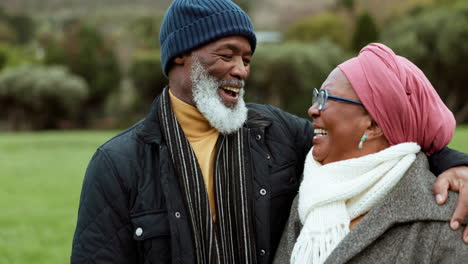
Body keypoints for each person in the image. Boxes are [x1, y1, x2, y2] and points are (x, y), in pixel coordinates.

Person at [71, 1, 468, 263]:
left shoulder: (276, 132)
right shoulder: (119, 164)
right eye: (226, 55)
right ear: (180, 56)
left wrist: (456, 164)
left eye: (246, 58)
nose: (241, 70)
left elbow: (380, 140)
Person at [273, 43, 468, 264]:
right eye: (317, 96)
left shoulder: (446, 218)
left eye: (326, 98)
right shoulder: (309, 194)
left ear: (373, 125)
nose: (313, 109)